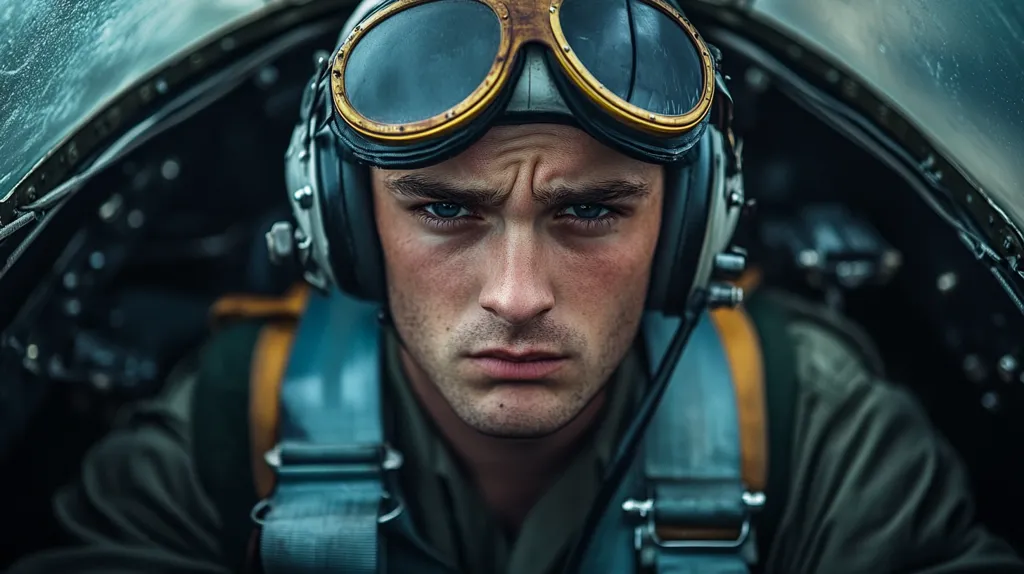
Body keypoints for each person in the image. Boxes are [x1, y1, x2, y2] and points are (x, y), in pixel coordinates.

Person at [9, 0, 1024, 573]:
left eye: (590, 211)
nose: (517, 292)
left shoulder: (812, 424)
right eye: (445, 209)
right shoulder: (228, 427)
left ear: (691, 229)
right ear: (346, 227)